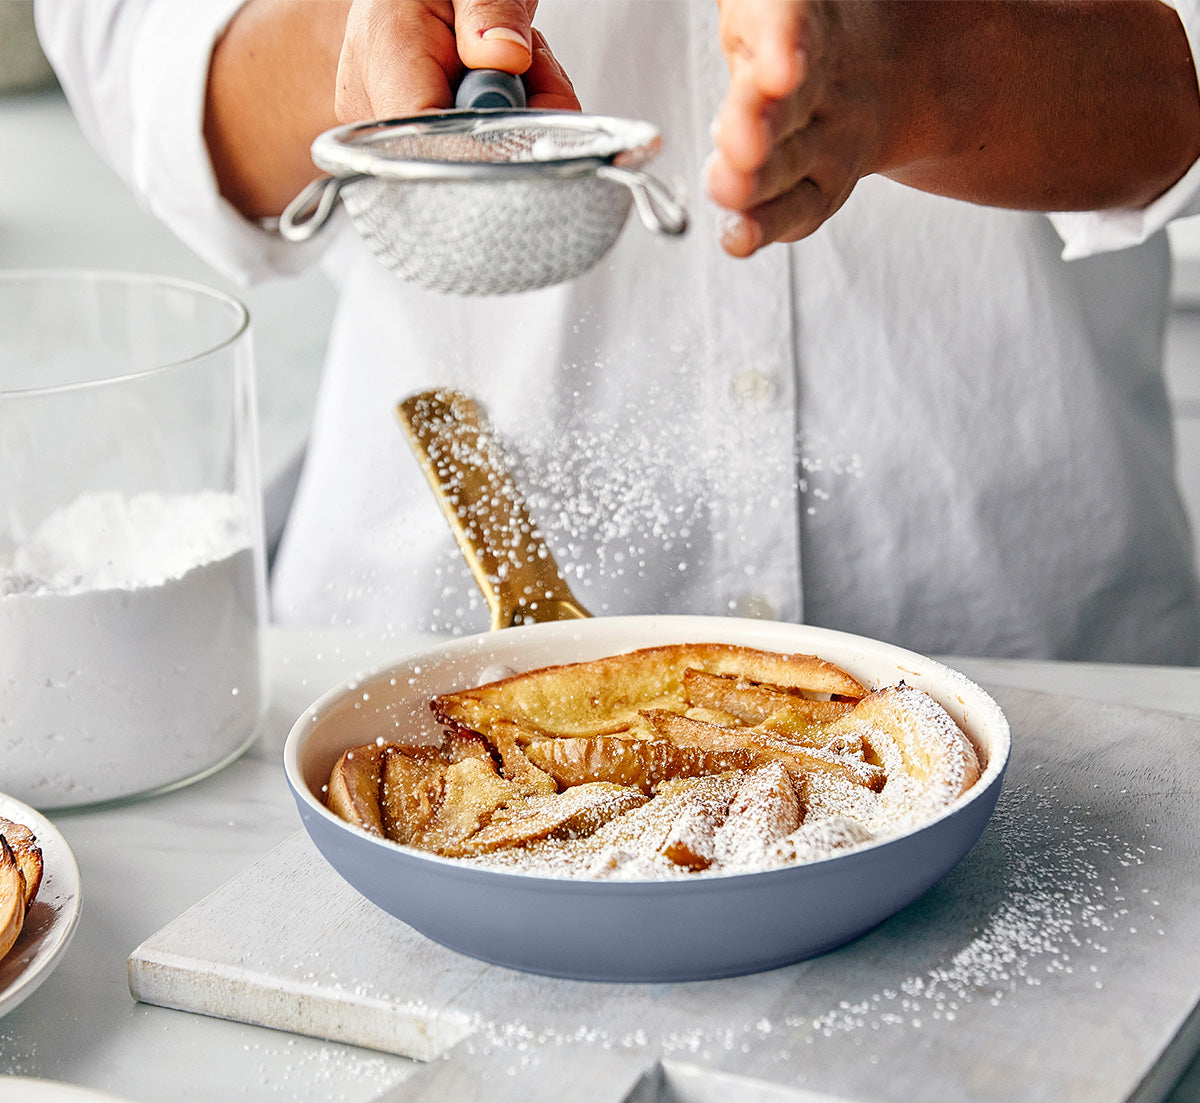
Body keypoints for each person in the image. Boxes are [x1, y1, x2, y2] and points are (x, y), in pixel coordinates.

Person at [34, 0, 1200, 664]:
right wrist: (364, 24)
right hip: (414, 676)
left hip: (1043, 672)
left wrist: (934, 67)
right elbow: (137, 44)